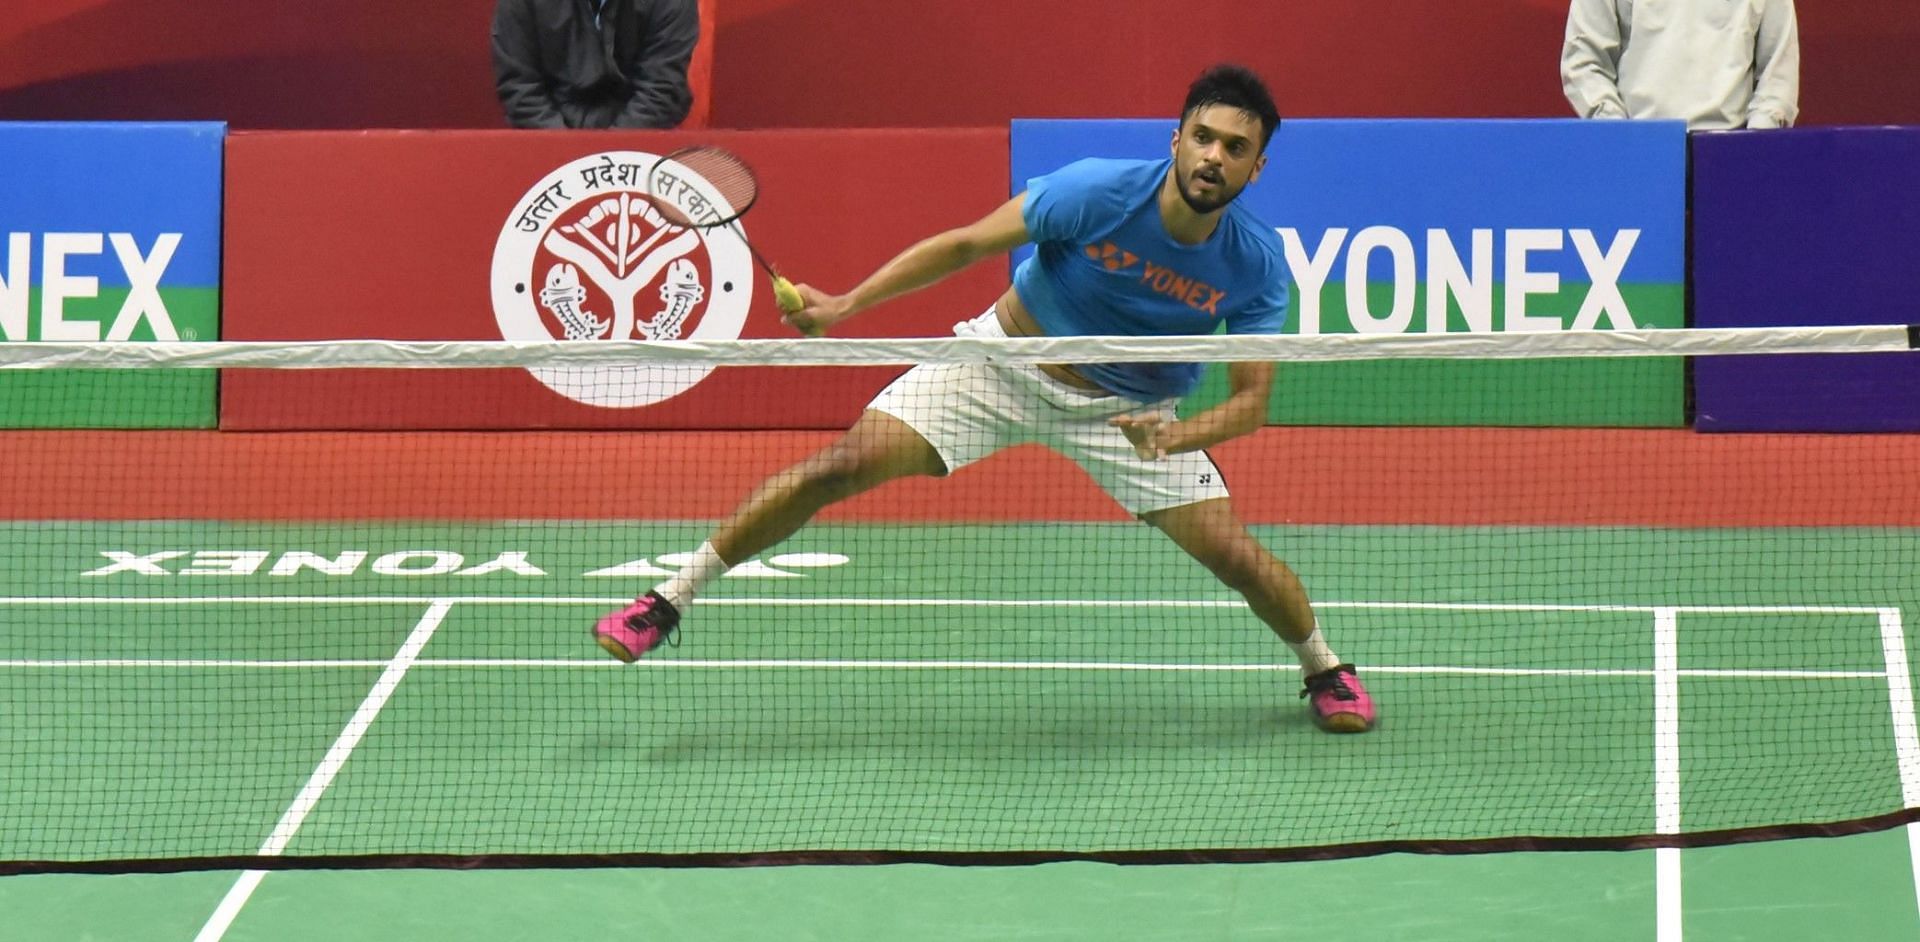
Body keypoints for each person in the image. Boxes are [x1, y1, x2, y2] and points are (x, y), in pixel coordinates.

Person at [593, 64, 1378, 734]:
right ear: (1175, 140)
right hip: (1000, 364)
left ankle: (1323, 668)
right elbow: (966, 243)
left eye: (1236, 148)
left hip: (1129, 416)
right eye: (1203, 137)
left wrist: (1176, 437)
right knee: (841, 465)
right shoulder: (1096, 191)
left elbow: (1252, 402)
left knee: (1235, 556)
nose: (1214, 157)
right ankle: (666, 601)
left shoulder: (1257, 264)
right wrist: (844, 307)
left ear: (1257, 168)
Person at [1561, 0, 1799, 130]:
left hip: (1731, 152)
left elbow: (1778, 73)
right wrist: (1623, 140)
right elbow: (1585, 61)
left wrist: (1753, 149)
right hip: (1640, 147)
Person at [490, 0, 697, 130]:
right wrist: (560, 148)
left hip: (640, 145)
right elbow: (519, 85)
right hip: (546, 142)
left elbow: (661, 89)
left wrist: (608, 156)